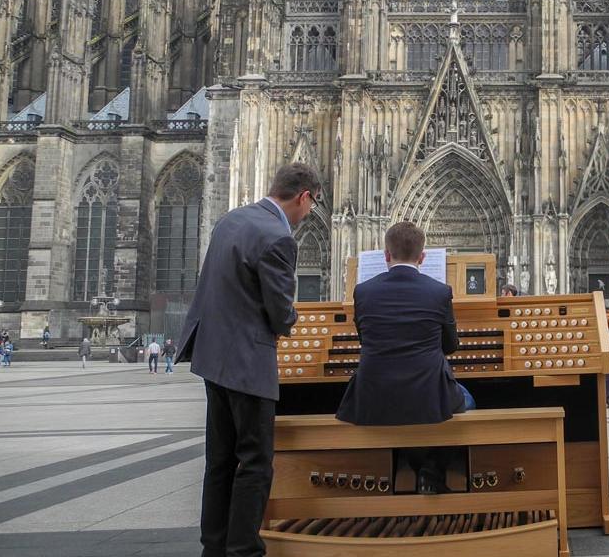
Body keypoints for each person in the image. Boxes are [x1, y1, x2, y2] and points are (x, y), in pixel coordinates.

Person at [178, 162, 321, 557]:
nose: (307, 215)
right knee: (256, 463)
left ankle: (215, 547)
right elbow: (280, 312)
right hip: (247, 363)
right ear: (303, 196)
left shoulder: (230, 220)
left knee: (220, 461)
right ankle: (244, 550)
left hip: (212, 356)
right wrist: (293, 319)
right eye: (310, 206)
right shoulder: (278, 237)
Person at [336, 222, 475, 494]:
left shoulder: (363, 292)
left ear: (386, 255)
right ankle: (431, 468)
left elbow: (366, 339)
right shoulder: (439, 292)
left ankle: (409, 469)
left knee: (405, 406)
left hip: (373, 395)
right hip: (428, 395)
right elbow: (450, 346)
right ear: (422, 257)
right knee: (467, 400)